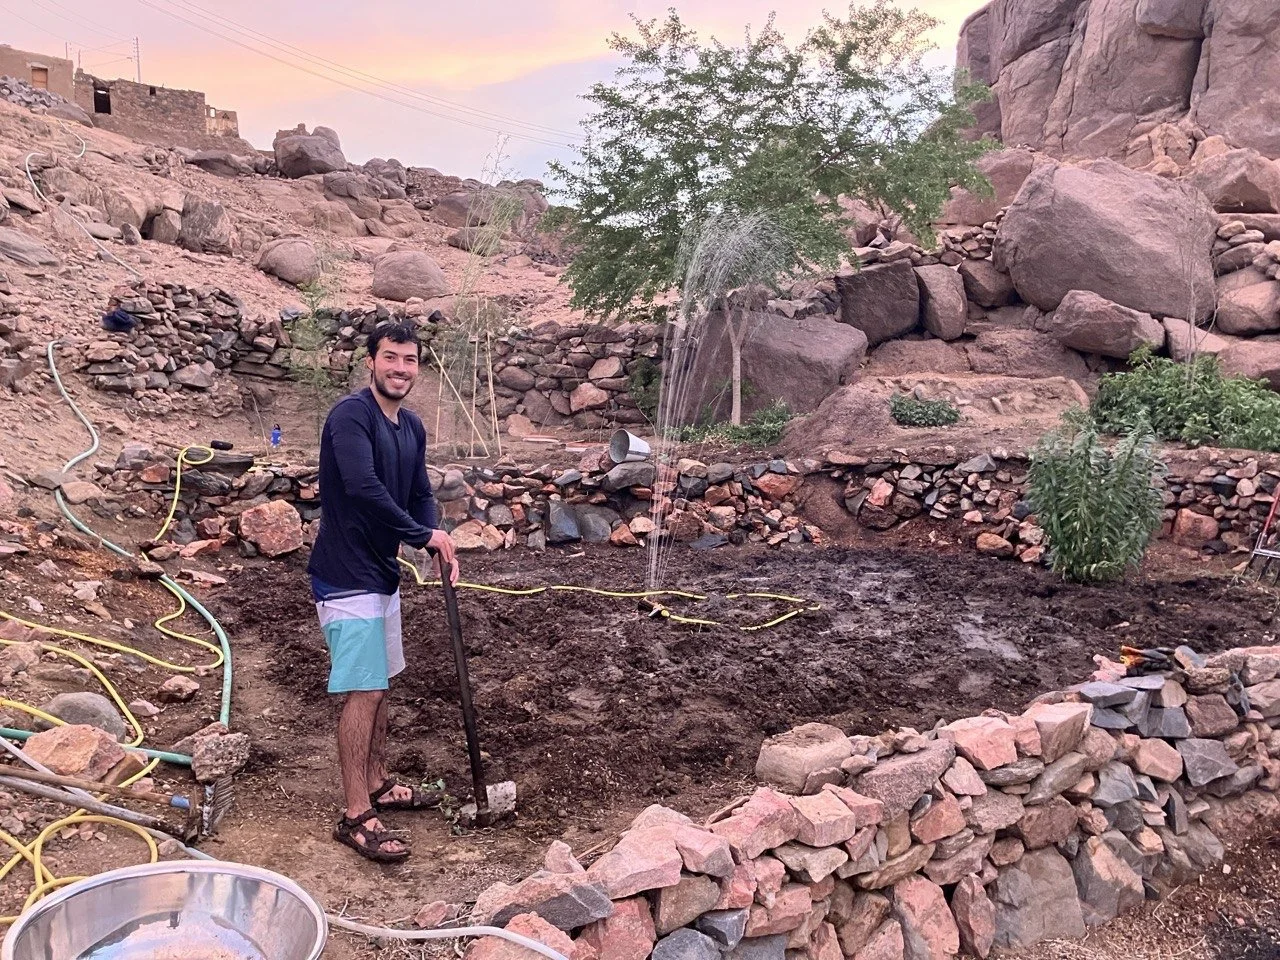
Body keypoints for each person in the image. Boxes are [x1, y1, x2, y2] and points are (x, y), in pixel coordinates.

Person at [307, 321, 458, 863]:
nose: (399, 368)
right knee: (364, 690)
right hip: (345, 576)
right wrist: (420, 534)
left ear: (419, 366)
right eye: (390, 357)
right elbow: (361, 488)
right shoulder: (352, 416)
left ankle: (375, 781)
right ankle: (354, 816)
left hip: (382, 574)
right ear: (370, 362)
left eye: (409, 360)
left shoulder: (411, 427)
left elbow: (420, 494)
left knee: (383, 684)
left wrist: (433, 538)